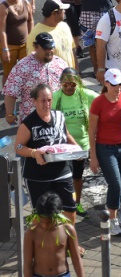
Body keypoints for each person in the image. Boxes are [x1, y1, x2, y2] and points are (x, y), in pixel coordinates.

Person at [14, 84, 79, 222]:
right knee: (42, 216)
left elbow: (66, 134)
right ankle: (42, 237)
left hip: (62, 171)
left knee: (70, 208)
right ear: (34, 101)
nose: (47, 104)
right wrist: (34, 153)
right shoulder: (28, 123)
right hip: (38, 176)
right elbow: (18, 147)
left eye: (49, 100)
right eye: (43, 101)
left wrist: (77, 148)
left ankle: (69, 236)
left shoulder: (59, 116)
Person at [88, 68, 121, 235]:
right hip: (105, 149)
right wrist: (93, 157)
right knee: (115, 184)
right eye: (115, 84)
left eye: (120, 84)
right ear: (106, 83)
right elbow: (92, 131)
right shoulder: (98, 102)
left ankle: (115, 207)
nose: (118, 87)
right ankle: (112, 218)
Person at [52, 68, 99, 217]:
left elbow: (103, 100)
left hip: (81, 145)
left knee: (77, 176)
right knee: (61, 177)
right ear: (60, 83)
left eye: (72, 84)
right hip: (62, 146)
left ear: (77, 83)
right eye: (65, 84)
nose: (69, 87)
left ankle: (76, 203)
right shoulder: (55, 97)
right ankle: (60, 205)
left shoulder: (84, 94)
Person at [4, 32, 68, 123]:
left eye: (51, 48)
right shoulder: (22, 66)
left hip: (57, 119)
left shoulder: (61, 64)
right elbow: (11, 92)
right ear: (36, 47)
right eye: (45, 48)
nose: (49, 51)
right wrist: (10, 114)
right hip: (32, 120)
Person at [23, 192, 84, 277]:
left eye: (49, 222)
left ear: (59, 215)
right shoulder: (31, 233)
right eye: (41, 222)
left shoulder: (68, 230)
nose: (45, 225)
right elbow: (27, 264)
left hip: (63, 274)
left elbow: (76, 258)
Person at [0, 0, 33, 87]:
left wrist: (31, 39)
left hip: (24, 45)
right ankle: (6, 95)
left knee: (26, 73)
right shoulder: (3, 7)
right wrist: (5, 49)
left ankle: (23, 95)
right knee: (8, 74)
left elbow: (30, 21)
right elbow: (2, 30)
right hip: (10, 46)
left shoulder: (26, 3)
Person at [26, 0, 75, 68]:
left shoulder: (65, 26)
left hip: (69, 74)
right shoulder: (35, 34)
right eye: (62, 10)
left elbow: (72, 50)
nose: (64, 11)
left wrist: (76, 71)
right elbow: (32, 62)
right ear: (54, 13)